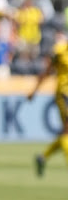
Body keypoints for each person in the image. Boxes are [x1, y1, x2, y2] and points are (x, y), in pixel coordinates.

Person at [28, 31, 68, 176]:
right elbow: (47, 71)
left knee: (66, 131)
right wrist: (34, 90)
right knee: (67, 129)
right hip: (64, 93)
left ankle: (43, 157)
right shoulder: (59, 50)